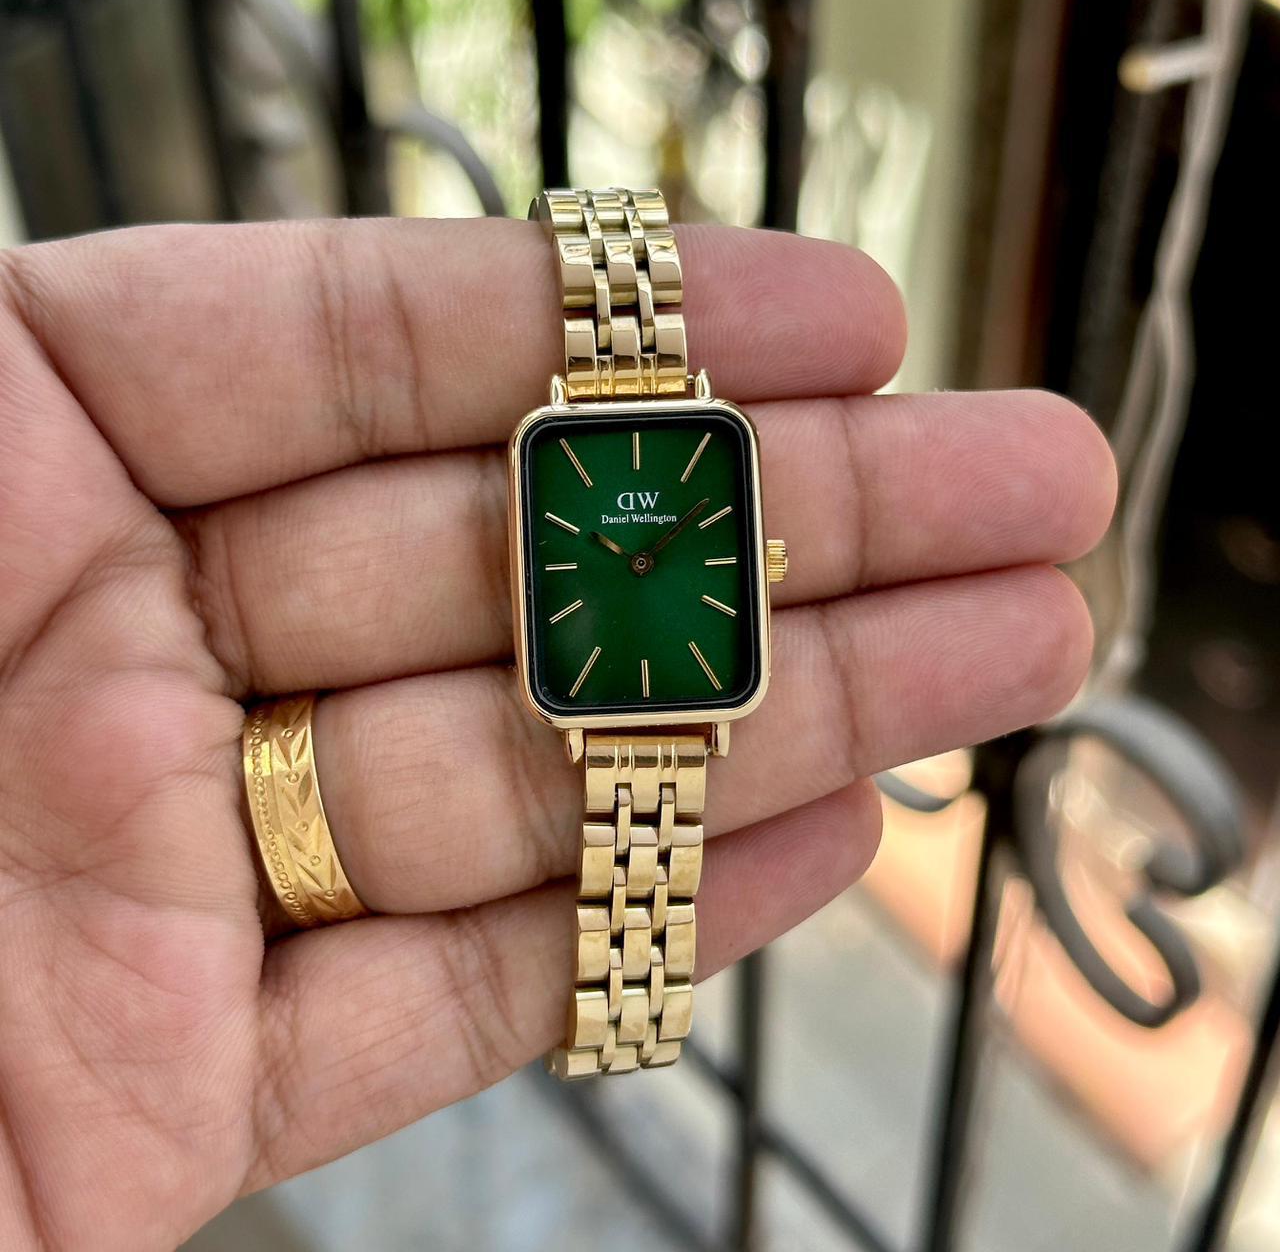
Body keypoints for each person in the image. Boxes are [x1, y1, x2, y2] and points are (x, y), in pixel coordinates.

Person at [0, 217, 1115, 1249]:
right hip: (609, 694)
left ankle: (625, 1021)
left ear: (758, 562)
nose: (648, 555)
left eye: (681, 550)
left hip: (657, 695)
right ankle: (624, 1022)